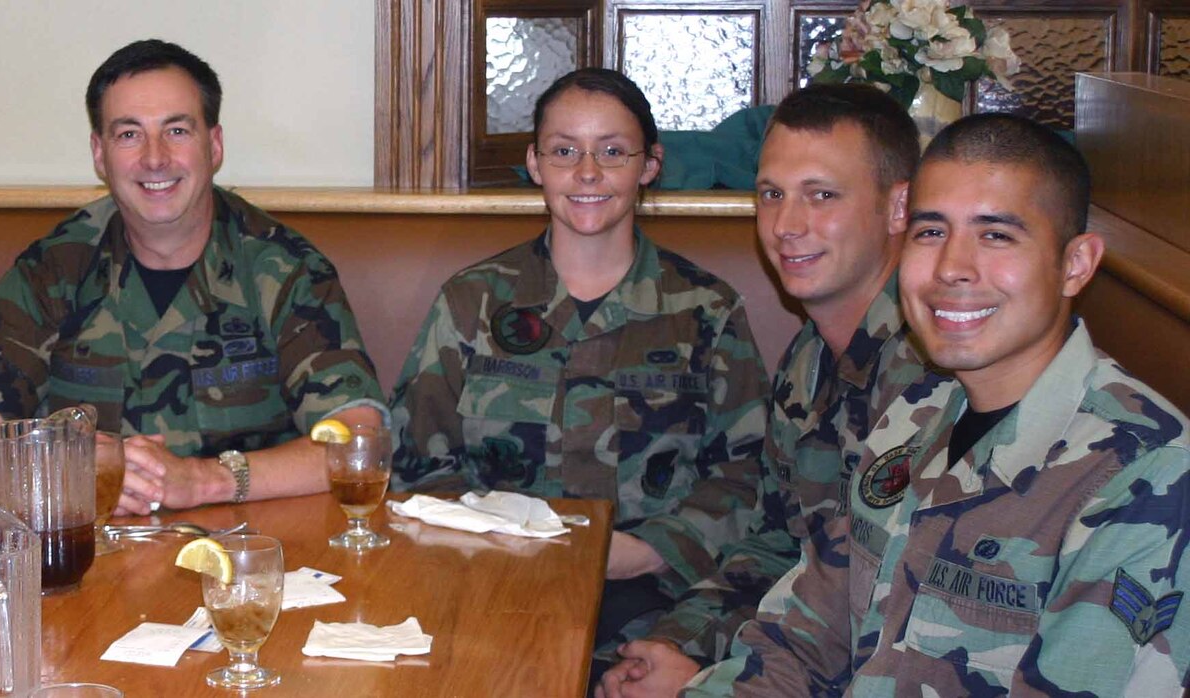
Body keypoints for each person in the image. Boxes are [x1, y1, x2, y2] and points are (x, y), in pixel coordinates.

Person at [687, 113, 1190, 695]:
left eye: (996, 234)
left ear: (1074, 264)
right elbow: (797, 640)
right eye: (930, 232)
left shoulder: (1146, 476)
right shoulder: (920, 412)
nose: (952, 267)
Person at [387, 67, 769, 673]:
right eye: (565, 151)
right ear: (536, 164)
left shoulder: (706, 309)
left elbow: (747, 474)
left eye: (613, 152)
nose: (587, 173)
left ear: (649, 165)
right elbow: (415, 469)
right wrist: (498, 547)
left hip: (660, 599)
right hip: (492, 589)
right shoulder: (473, 301)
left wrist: (644, 552)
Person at [0, 39, 385, 512]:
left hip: (248, 555)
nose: (154, 158)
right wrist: (60, 472)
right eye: (129, 134)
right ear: (99, 155)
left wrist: (208, 480)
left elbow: (359, 439)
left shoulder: (285, 268)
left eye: (177, 131)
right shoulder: (54, 268)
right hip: (89, 553)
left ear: (214, 145)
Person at [597, 84, 927, 698]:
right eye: (772, 194)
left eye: (821, 196)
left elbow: (880, 612)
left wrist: (712, 678)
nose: (787, 225)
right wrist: (679, 643)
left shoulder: (933, 373)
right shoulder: (809, 357)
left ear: (898, 206)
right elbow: (779, 544)